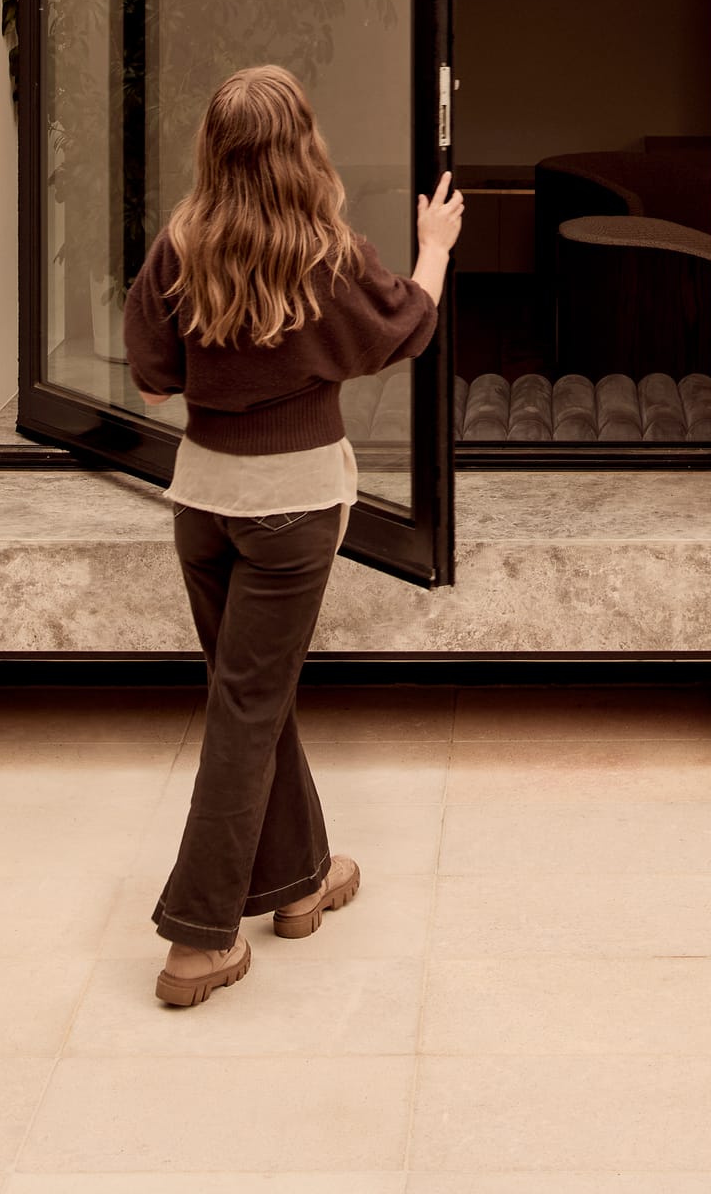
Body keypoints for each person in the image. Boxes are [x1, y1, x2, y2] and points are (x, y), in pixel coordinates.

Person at [124, 60, 462, 1009]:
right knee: (248, 703)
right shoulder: (326, 252)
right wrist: (434, 245)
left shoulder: (177, 249)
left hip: (202, 505)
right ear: (299, 148)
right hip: (295, 508)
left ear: (214, 150)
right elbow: (408, 330)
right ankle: (199, 938)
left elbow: (153, 383)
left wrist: (222, 369)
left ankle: (302, 879)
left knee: (249, 693)